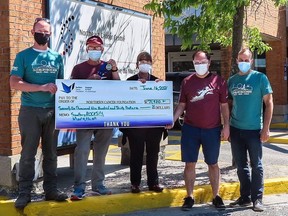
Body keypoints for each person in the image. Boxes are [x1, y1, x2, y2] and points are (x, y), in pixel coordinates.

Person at [10, 18, 68, 209]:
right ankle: (24, 193)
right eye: (40, 30)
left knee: (51, 153)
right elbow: (14, 82)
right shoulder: (23, 56)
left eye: (46, 32)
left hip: (52, 112)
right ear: (32, 31)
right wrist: (40, 87)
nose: (43, 34)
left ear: (50, 35)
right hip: (30, 111)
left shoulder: (57, 58)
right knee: (28, 154)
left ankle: (50, 190)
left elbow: (61, 85)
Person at [167, 50, 230, 211]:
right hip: (190, 130)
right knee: (190, 164)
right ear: (193, 63)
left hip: (212, 129)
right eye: (197, 62)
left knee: (213, 163)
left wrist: (226, 126)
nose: (199, 65)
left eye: (202, 62)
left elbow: (224, 106)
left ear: (209, 63)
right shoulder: (187, 82)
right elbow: (182, 104)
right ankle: (189, 196)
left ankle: (216, 196)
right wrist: (172, 119)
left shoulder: (219, 81)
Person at [70, 35, 120, 200]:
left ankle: (98, 185)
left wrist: (114, 70)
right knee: (82, 151)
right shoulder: (78, 69)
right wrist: (88, 81)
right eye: (91, 47)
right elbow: (72, 90)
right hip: (84, 116)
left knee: (101, 152)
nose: (94, 50)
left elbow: (119, 87)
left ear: (102, 49)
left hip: (105, 117)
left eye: (97, 48)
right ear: (86, 49)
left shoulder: (106, 67)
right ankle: (79, 188)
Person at [228, 48, 273, 212]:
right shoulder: (231, 81)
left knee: (257, 165)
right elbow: (228, 104)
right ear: (236, 61)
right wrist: (226, 125)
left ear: (251, 61)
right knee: (241, 166)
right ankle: (245, 197)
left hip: (254, 130)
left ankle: (257, 199)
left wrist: (266, 128)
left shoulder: (260, 78)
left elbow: (269, 103)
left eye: (246, 60)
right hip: (235, 129)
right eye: (241, 59)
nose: (244, 62)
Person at [120, 51, 167, 193]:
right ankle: (135, 183)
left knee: (153, 154)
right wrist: (135, 87)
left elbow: (163, 102)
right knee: (136, 155)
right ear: (137, 64)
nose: (144, 63)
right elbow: (124, 101)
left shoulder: (157, 81)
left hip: (154, 127)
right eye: (142, 61)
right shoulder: (129, 81)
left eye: (147, 61)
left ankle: (154, 183)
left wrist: (162, 87)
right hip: (136, 127)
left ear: (151, 64)